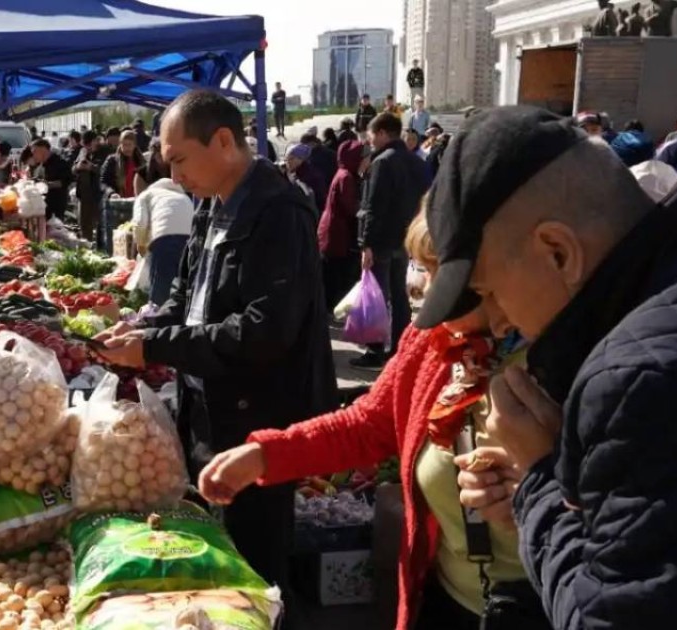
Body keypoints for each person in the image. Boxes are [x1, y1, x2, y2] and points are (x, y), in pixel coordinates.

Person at [416, 105, 677, 629]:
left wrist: (540, 477)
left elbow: (605, 617)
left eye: (492, 292)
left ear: (558, 252)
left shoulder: (639, 380)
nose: (498, 323)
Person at [198, 211, 547, 630]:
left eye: (443, 274)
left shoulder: (569, 365)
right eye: (425, 270)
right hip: (444, 599)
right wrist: (265, 455)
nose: (426, 289)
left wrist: (536, 497)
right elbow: (369, 424)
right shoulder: (432, 341)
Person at [94, 90, 338, 610]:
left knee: (255, 572)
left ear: (224, 141)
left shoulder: (279, 212)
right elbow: (184, 298)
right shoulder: (210, 206)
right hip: (208, 413)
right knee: (218, 569)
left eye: (180, 159)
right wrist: (140, 326)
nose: (174, 175)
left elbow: (262, 333)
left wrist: (155, 345)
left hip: (257, 423)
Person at [355, 112, 429, 370]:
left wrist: (367, 244)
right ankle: (400, 350)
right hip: (406, 240)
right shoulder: (417, 162)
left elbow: (374, 206)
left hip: (382, 240)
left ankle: (375, 350)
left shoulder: (383, 163)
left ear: (384, 133)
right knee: (399, 296)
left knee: (377, 296)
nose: (369, 139)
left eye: (372, 134)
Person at [131, 166, 195, 306]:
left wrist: (141, 245)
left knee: (161, 289)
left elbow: (140, 223)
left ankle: (157, 321)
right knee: (183, 287)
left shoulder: (147, 195)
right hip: (190, 242)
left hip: (163, 239)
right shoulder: (184, 197)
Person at [320, 139, 364, 311]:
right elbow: (351, 207)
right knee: (335, 274)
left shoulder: (343, 173)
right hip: (338, 233)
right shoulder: (346, 177)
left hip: (334, 231)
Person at [29, 139, 74, 220]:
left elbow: (66, 181)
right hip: (44, 204)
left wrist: (48, 185)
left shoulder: (60, 162)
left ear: (43, 150)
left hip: (56, 204)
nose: (34, 155)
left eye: (35, 152)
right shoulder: (43, 164)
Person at [75, 132, 106, 241]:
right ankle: (86, 245)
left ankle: (100, 245)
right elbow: (73, 168)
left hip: (97, 194)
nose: (88, 147)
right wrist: (77, 167)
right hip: (83, 195)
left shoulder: (103, 152)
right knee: (84, 224)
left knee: (99, 224)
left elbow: (104, 170)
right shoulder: (82, 152)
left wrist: (91, 167)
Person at [100, 129, 145, 198]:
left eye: (129, 145)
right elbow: (103, 182)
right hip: (117, 201)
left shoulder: (141, 161)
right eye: (124, 145)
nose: (127, 148)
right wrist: (111, 193)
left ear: (134, 145)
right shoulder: (112, 161)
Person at [285, 144, 325, 219]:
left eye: (291, 159)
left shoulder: (310, 177)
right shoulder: (294, 174)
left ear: (301, 159)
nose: (288, 162)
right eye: (286, 159)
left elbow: (319, 200)